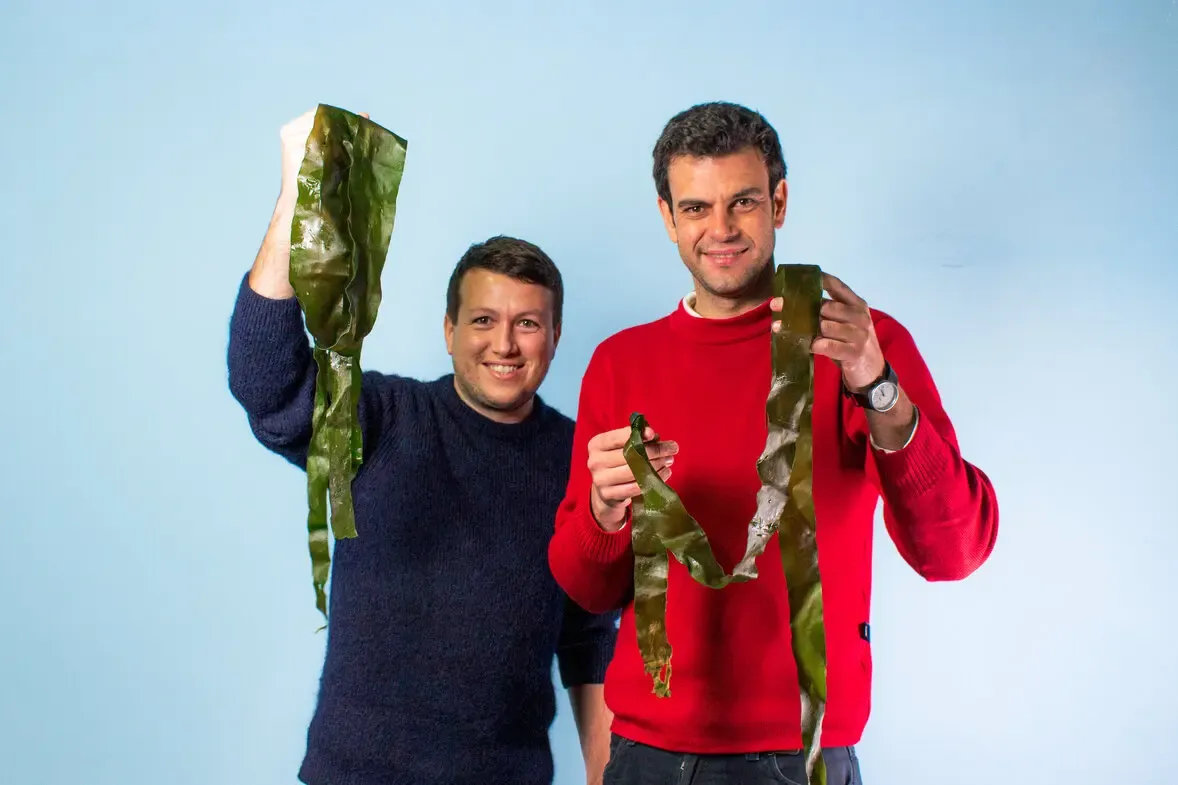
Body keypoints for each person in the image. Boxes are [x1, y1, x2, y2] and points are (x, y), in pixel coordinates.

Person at [547, 101, 999, 785]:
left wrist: (878, 386)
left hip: (806, 755)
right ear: (667, 216)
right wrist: (606, 515)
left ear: (779, 202)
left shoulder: (860, 341)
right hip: (648, 757)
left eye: (743, 202)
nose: (721, 229)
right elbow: (587, 589)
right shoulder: (620, 363)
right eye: (696, 208)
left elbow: (955, 549)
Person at [227, 108, 618, 785]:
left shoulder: (575, 457)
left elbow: (586, 637)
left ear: (554, 336)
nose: (504, 343)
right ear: (448, 329)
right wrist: (300, 193)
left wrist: (607, 774)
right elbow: (267, 381)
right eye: (484, 320)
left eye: (527, 323)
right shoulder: (383, 416)